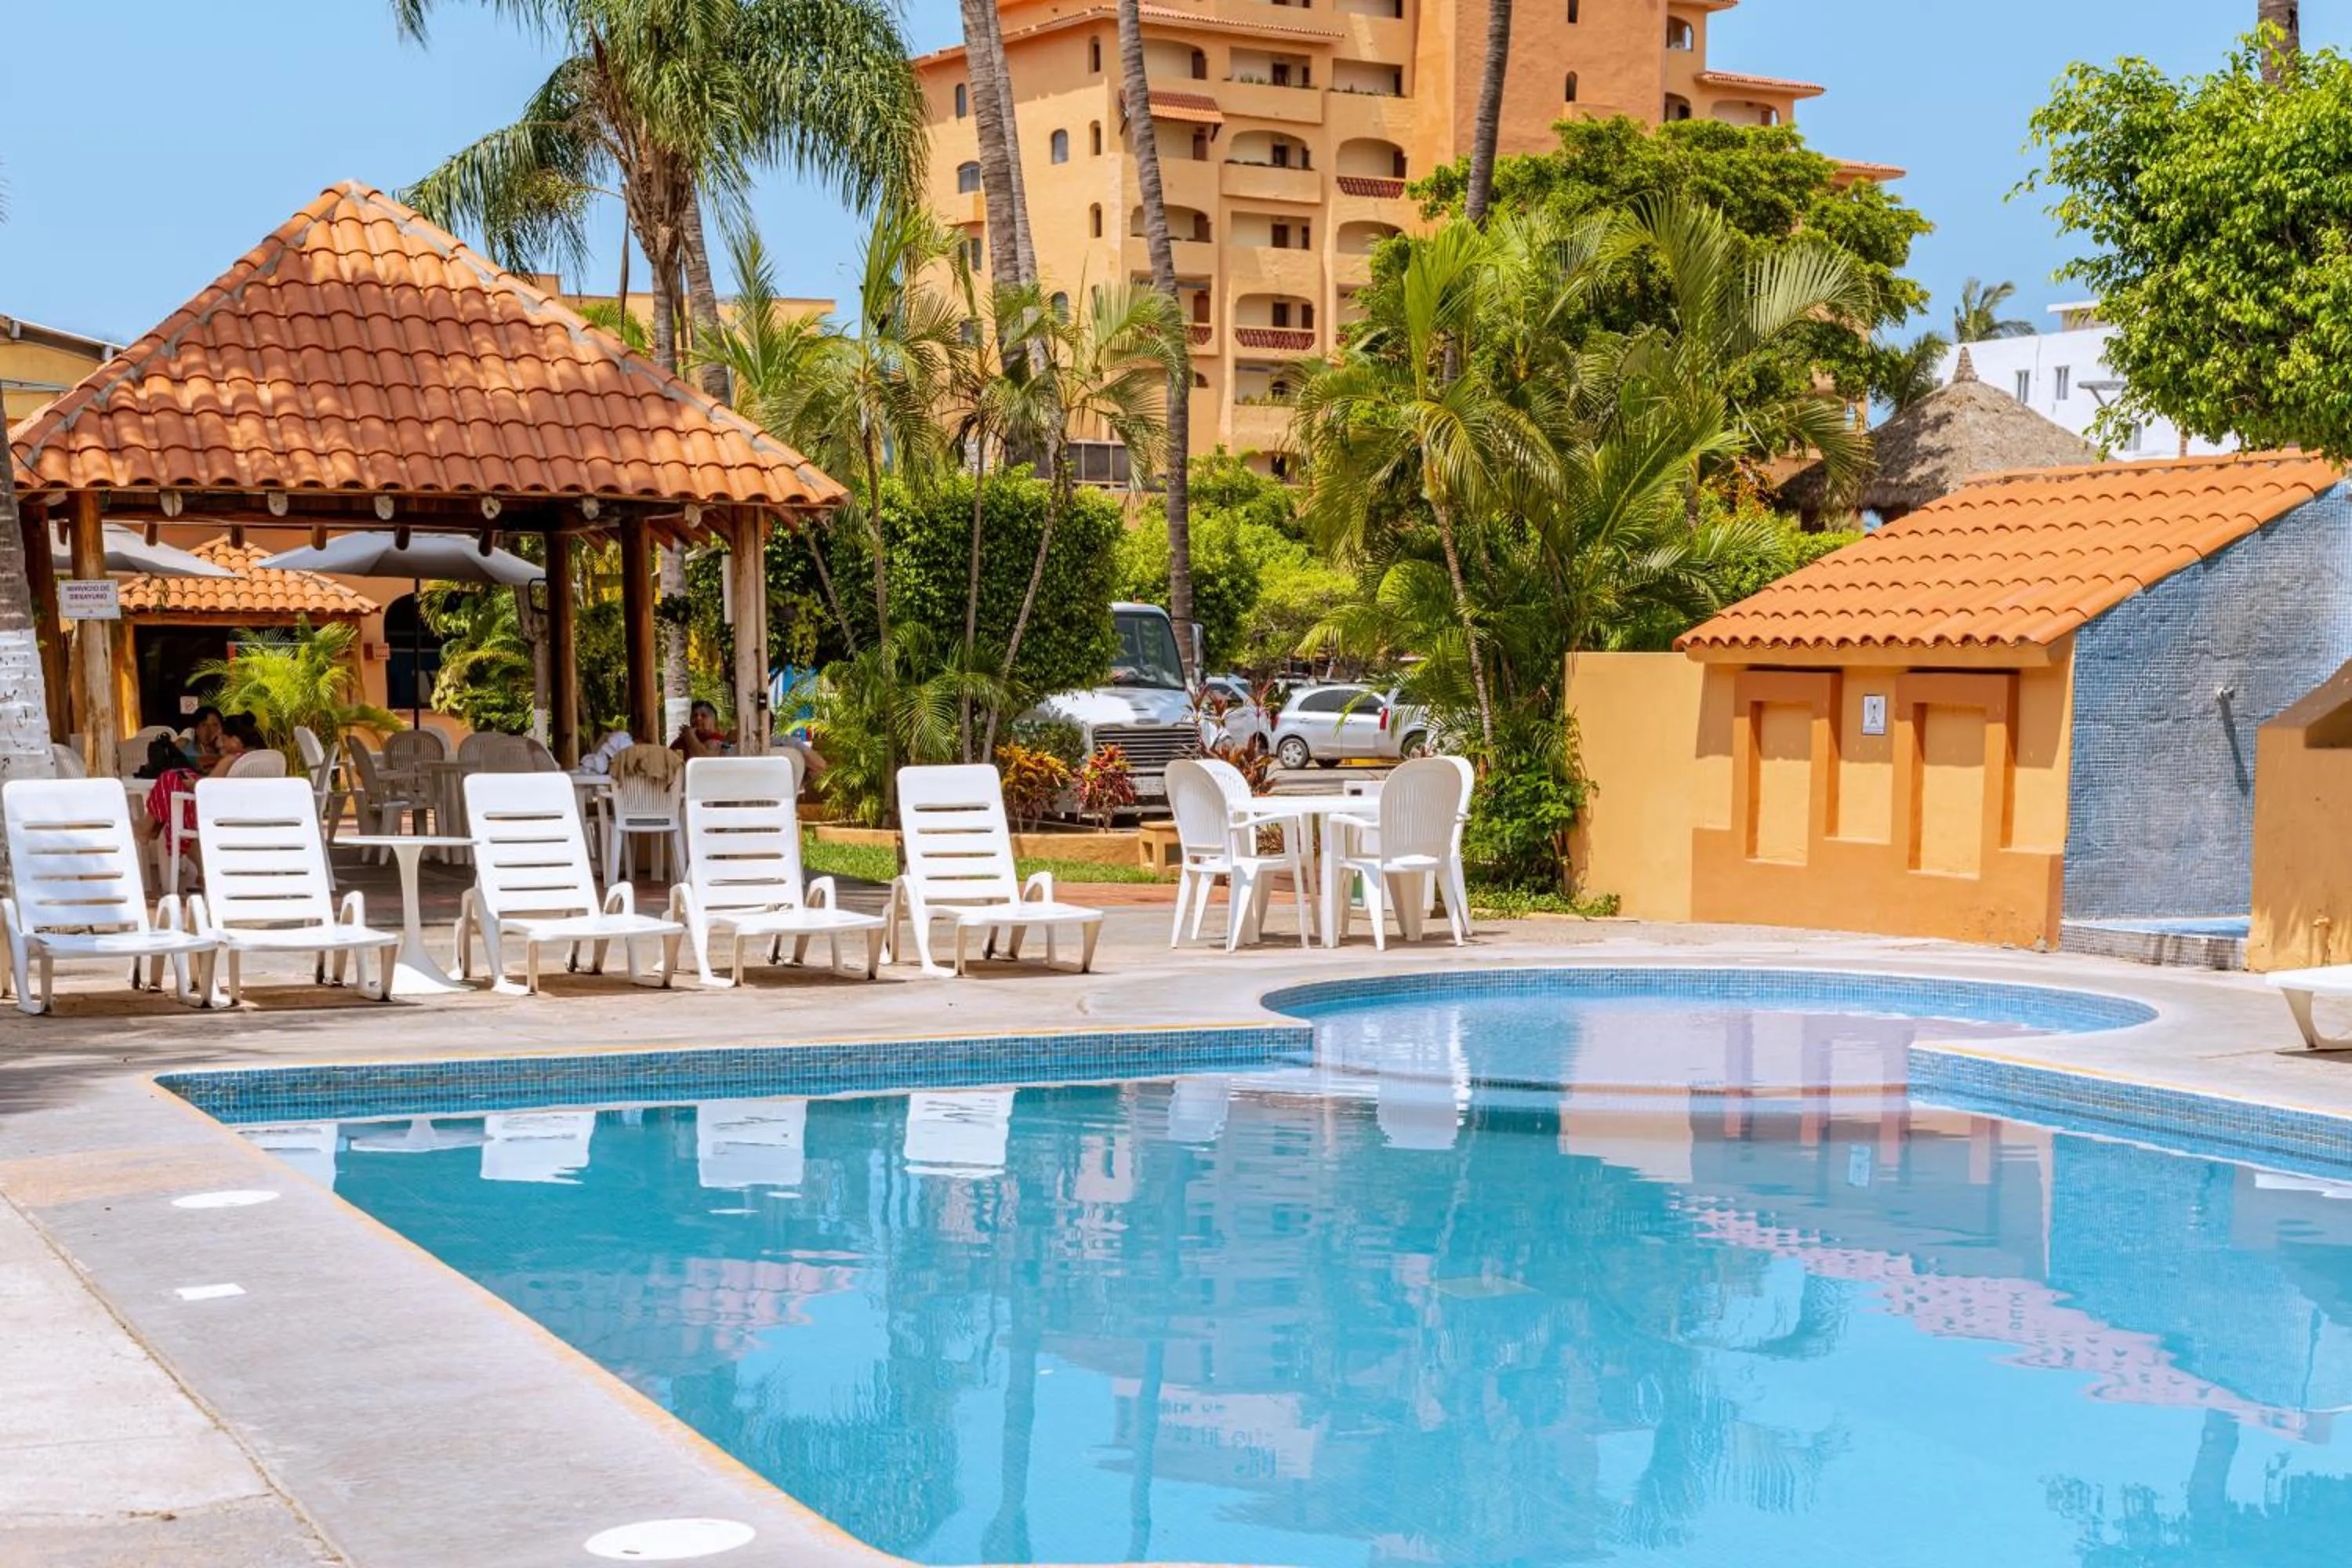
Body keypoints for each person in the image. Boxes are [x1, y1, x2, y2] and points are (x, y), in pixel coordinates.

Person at [670, 701, 735, 759]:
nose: (698, 718)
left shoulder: (719, 741)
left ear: (714, 722)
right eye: (695, 715)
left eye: (704, 716)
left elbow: (704, 760)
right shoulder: (681, 741)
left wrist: (690, 735)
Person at [186, 706, 225, 770]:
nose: (209, 729)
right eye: (204, 725)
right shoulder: (184, 750)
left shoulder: (228, 751)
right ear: (196, 728)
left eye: (215, 725)